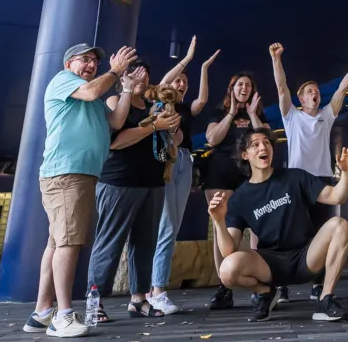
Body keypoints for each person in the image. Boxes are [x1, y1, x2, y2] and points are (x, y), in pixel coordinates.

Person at [23, 42, 136, 338]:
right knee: (69, 243)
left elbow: (116, 122)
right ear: (67, 65)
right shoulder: (65, 82)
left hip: (79, 175)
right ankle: (63, 315)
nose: (89, 65)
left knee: (57, 242)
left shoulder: (93, 96)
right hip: (67, 174)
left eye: (93, 62)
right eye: (83, 60)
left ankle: (41, 312)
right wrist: (115, 70)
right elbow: (92, 91)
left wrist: (125, 89)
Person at [211, 128, 348, 323]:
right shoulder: (239, 198)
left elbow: (337, 196)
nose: (263, 147)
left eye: (267, 143)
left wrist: (345, 173)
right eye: (255, 144)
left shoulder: (295, 177)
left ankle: (325, 301)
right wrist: (219, 220)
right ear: (245, 155)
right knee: (227, 270)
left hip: (306, 257)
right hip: (270, 265)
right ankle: (266, 293)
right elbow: (229, 251)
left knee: (340, 225)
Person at [269, 42, 348, 301]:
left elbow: (343, 89)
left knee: (323, 229)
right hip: (296, 181)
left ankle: (318, 283)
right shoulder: (291, 116)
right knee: (289, 232)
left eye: (316, 91)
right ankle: (282, 283)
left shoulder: (326, 116)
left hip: (322, 180)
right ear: (301, 99)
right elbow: (281, 87)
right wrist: (276, 58)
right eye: (309, 92)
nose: (315, 94)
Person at [86, 62, 182, 320]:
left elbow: (174, 140)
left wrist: (170, 128)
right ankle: (96, 301)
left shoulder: (154, 107)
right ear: (122, 77)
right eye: (134, 71)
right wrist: (153, 127)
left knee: (145, 242)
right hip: (119, 181)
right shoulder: (115, 101)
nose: (142, 76)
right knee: (110, 241)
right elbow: (115, 141)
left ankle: (138, 299)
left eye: (146, 72)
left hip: (152, 181)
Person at [147, 36, 220, 314]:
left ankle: (156, 289)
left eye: (184, 83)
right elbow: (164, 82)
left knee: (172, 227)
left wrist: (202, 67)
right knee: (166, 226)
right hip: (166, 162)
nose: (181, 84)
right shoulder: (161, 104)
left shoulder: (186, 109)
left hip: (185, 162)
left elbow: (202, 99)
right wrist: (187, 59)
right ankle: (157, 289)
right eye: (179, 81)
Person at [201, 73, 263, 310]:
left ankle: (260, 286)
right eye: (240, 84)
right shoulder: (219, 114)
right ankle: (224, 287)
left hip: (249, 174)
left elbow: (263, 139)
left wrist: (251, 114)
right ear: (231, 89)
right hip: (220, 174)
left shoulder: (257, 115)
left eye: (249, 84)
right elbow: (212, 138)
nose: (244, 87)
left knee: (258, 226)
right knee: (223, 230)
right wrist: (231, 113)